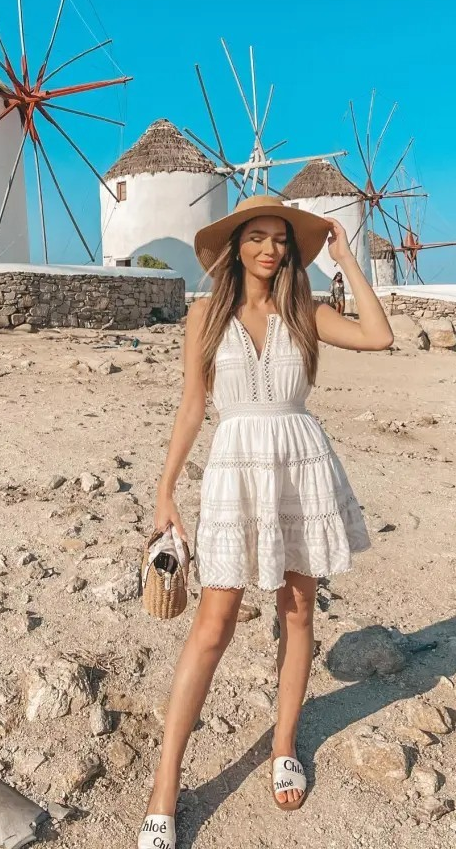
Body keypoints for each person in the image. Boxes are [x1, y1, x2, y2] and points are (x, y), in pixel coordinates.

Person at [137, 195, 393, 849]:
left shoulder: (305, 312)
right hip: (232, 467)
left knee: (298, 609)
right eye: (256, 237)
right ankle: (165, 786)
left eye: (280, 240)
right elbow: (192, 406)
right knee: (212, 623)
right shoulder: (203, 316)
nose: (269, 250)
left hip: (299, 463)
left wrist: (345, 257)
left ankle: (284, 746)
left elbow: (378, 335)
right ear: (235, 245)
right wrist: (165, 490)